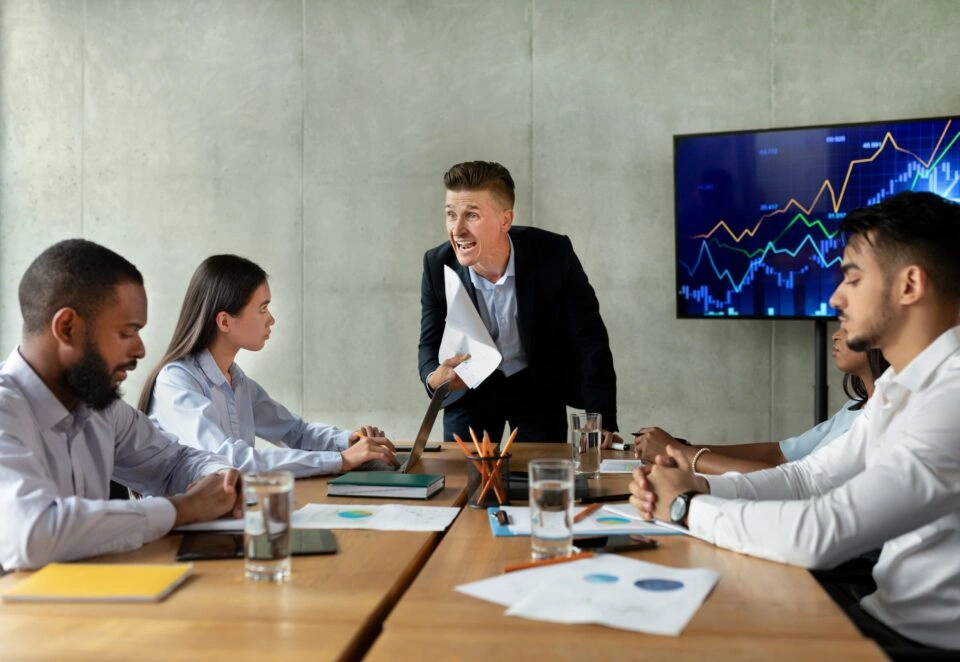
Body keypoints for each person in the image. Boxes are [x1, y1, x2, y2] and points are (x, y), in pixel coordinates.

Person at [629, 191, 960, 654]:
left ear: (909, 285)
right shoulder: (900, 387)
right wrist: (700, 488)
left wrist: (685, 507)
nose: (835, 297)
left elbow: (824, 531)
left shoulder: (951, 399)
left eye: (852, 277)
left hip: (912, 646)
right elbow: (810, 477)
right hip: (879, 616)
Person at [0, 240, 242, 571]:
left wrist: (218, 479)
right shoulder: (6, 410)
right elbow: (33, 534)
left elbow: (174, 461)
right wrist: (184, 509)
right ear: (67, 328)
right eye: (127, 333)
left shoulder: (99, 406)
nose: (141, 351)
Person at [139, 255, 398, 476]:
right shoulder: (176, 382)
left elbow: (295, 432)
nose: (271, 319)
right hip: (179, 527)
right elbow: (229, 461)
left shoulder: (238, 383)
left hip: (226, 515)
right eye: (262, 309)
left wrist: (348, 441)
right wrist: (341, 460)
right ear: (225, 322)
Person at [419, 161, 620, 445]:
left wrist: (602, 418)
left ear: (505, 220)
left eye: (471, 215)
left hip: (538, 384)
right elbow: (429, 342)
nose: (457, 229)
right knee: (465, 483)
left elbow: (590, 339)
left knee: (541, 481)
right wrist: (433, 380)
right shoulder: (436, 264)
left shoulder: (554, 253)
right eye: (451, 215)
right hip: (471, 389)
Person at [634, 329, 889, 474]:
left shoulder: (884, 420)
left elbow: (795, 483)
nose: (835, 335)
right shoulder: (854, 408)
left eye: (847, 321)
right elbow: (779, 453)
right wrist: (677, 448)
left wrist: (682, 455)